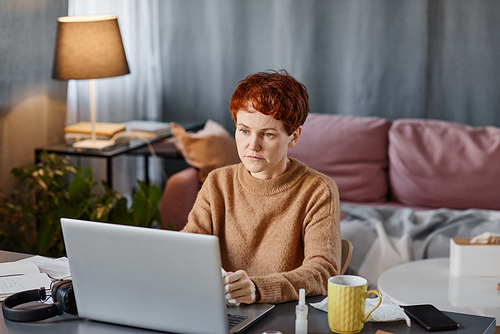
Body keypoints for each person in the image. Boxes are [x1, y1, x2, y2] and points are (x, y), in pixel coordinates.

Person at [181, 70, 341, 305]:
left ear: (294, 137)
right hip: (217, 311)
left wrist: (258, 288)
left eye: (267, 134)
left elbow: (323, 271)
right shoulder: (217, 183)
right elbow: (187, 249)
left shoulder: (318, 190)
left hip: (282, 316)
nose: (252, 146)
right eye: (244, 131)